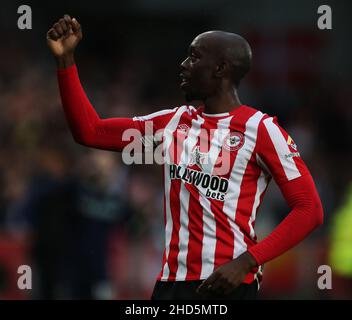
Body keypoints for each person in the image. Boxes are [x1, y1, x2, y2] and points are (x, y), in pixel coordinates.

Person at [47, 14, 323, 300]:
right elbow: (90, 131)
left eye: (193, 57)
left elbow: (309, 209)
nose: (183, 65)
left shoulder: (262, 129)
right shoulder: (174, 123)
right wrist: (65, 61)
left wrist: (247, 261)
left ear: (220, 68)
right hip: (171, 283)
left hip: (226, 283)